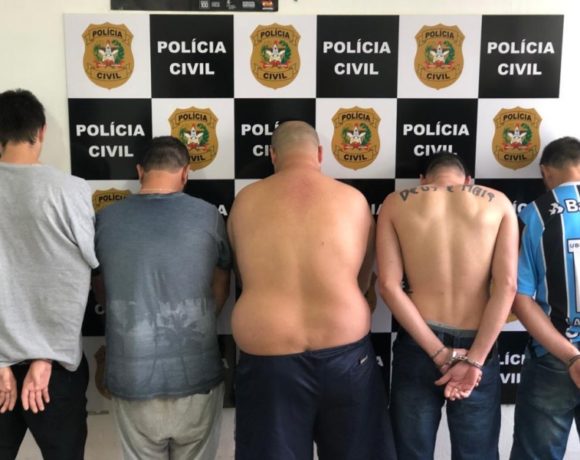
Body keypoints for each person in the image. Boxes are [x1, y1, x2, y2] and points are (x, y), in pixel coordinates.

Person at [228, 120, 396, 460]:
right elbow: (363, 280)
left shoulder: (245, 200)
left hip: (268, 357)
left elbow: (244, 274)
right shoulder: (354, 199)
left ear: (273, 155)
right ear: (320, 153)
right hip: (345, 354)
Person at [95, 136, 231, 460]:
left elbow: (101, 288)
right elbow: (222, 285)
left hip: (131, 379)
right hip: (197, 378)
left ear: (140, 171)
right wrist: (195, 321)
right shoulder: (209, 216)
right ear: (185, 172)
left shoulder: (105, 219)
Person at [376, 153, 518, 459]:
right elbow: (507, 287)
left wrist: (439, 353)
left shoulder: (395, 203)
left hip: (420, 343)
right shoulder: (499, 203)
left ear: (423, 181)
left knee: (410, 453)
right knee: (477, 454)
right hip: (478, 344)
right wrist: (475, 360)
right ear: (468, 180)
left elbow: (388, 286)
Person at [0, 89, 98, 459]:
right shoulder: (70, 190)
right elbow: (75, 277)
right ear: (41, 131)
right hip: (54, 367)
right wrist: (44, 358)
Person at [510, 137, 580, 460]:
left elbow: (520, 298)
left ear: (545, 171)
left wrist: (571, 357)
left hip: (555, 356)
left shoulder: (535, 215)